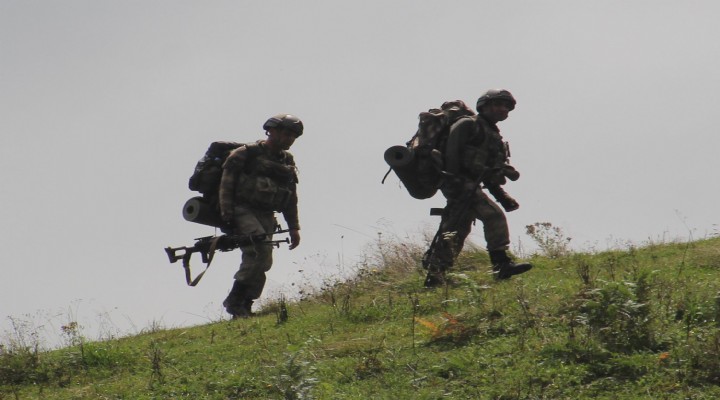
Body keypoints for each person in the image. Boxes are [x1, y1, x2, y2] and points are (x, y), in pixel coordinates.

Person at [424, 89, 532, 287]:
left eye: (507, 107)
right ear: (484, 106)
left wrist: (502, 195)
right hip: (458, 182)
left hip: (470, 184)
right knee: (494, 216)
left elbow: (489, 171)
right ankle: (501, 265)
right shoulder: (468, 124)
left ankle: (435, 277)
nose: (503, 110)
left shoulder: (494, 136)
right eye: (498, 104)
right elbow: (452, 153)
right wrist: (455, 181)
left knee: (456, 229)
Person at [218, 114, 303, 318]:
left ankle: (246, 303)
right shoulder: (244, 154)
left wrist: (294, 227)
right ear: (271, 131)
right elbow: (226, 185)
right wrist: (227, 215)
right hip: (242, 209)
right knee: (257, 250)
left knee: (264, 260)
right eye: (286, 133)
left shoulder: (287, 160)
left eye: (293, 135)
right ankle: (234, 301)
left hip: (266, 213)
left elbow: (291, 197)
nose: (289, 138)